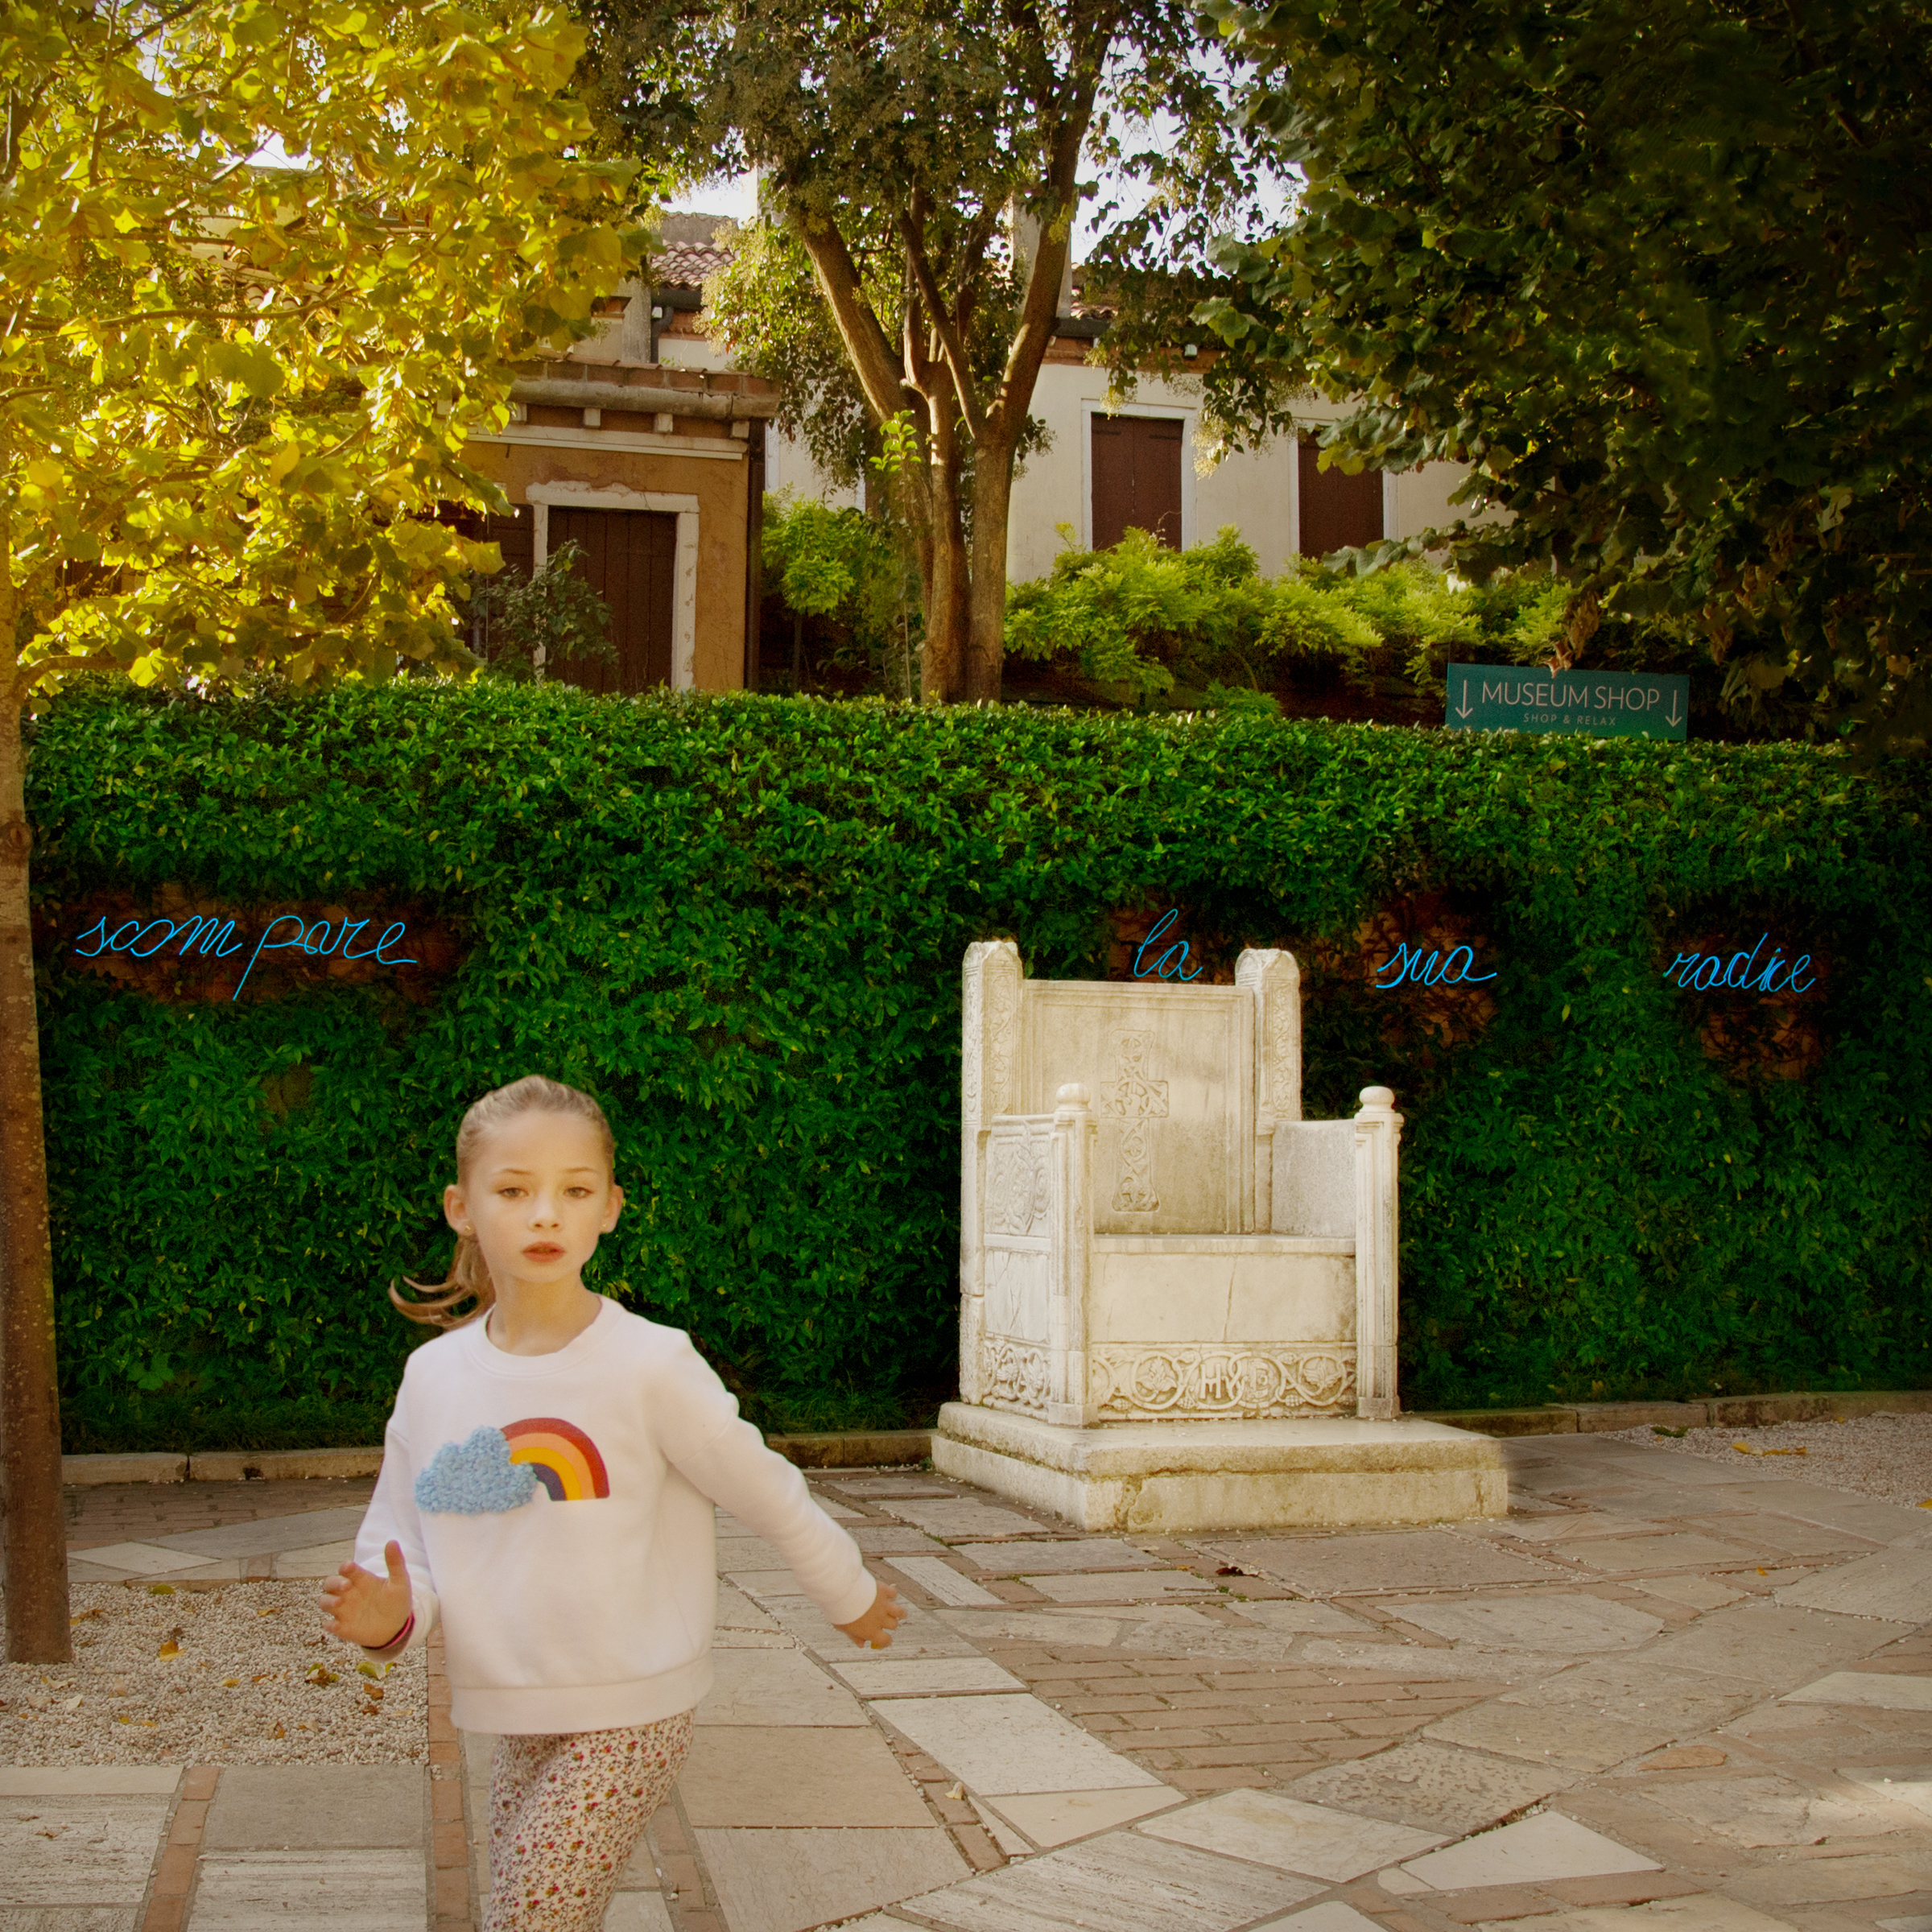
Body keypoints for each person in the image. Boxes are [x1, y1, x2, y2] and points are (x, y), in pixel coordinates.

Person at [319, 1075, 904, 1931]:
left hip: (633, 1705)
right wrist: (384, 1616)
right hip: (514, 1702)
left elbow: (764, 1487)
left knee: (531, 1918)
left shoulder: (650, 1365)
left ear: (611, 1207)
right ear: (461, 1206)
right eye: (514, 1191)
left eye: (575, 1190)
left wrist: (847, 1594)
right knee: (537, 1913)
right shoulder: (434, 1378)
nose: (546, 1214)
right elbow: (404, 1540)